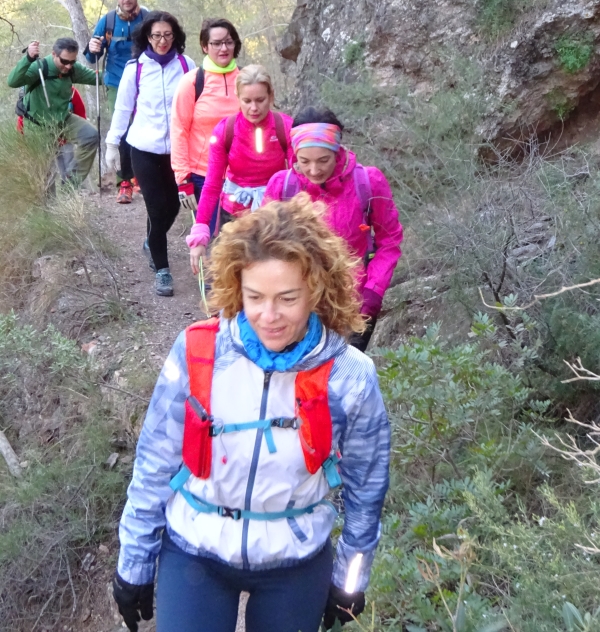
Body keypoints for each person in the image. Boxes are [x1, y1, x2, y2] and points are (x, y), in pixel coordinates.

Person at [112, 195, 390, 632]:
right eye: (255, 297)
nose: (269, 315)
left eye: (287, 298)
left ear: (317, 290)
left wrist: (350, 580)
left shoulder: (349, 376)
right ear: (236, 287)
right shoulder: (198, 350)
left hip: (295, 562)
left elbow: (366, 491)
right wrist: (134, 563)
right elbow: (154, 463)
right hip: (195, 551)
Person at [264, 106, 403, 352]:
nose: (314, 170)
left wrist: (373, 292)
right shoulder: (281, 187)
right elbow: (263, 247)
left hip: (354, 305)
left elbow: (389, 241)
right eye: (304, 161)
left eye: (323, 160)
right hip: (296, 307)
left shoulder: (368, 183)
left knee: (344, 373)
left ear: (337, 151)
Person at [104, 11, 195, 297]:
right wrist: (112, 144)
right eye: (156, 35)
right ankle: (162, 270)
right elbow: (122, 108)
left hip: (178, 151)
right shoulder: (136, 68)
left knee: (174, 206)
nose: (162, 41)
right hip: (143, 149)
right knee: (156, 208)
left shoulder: (187, 65)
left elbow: (198, 105)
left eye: (167, 35)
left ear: (175, 36)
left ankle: (151, 241)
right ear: (147, 37)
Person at [186, 64, 293, 275]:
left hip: (274, 216)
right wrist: (200, 233)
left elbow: (299, 179)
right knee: (232, 277)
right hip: (233, 215)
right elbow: (212, 185)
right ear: (238, 98)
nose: (254, 108)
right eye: (247, 101)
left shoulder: (286, 127)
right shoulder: (225, 130)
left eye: (260, 100)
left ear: (271, 96)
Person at [170, 18, 242, 224]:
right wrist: (183, 180)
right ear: (204, 46)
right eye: (216, 43)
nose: (223, 48)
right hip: (203, 176)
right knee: (208, 237)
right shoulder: (192, 82)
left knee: (243, 240)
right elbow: (179, 131)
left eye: (228, 42)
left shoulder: (247, 80)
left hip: (242, 176)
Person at [86, 0, 149, 203]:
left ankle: (144, 176)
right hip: (116, 83)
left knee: (145, 128)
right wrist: (93, 48)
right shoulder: (108, 21)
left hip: (144, 81)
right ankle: (124, 182)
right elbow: (92, 57)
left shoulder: (148, 18)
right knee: (121, 130)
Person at [7, 38, 100, 184]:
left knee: (90, 135)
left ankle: (71, 183)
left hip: (63, 118)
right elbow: (13, 81)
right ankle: (48, 199)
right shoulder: (39, 67)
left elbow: (97, 78)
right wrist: (28, 58)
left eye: (72, 61)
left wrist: (126, 71)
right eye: (64, 61)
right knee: (45, 175)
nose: (68, 66)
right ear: (54, 54)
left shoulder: (72, 68)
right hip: (37, 125)